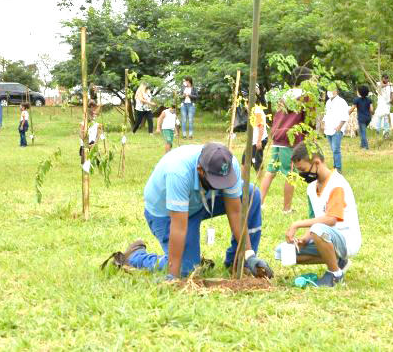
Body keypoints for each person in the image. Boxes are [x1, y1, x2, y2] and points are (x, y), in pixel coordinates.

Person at [118, 143, 273, 280]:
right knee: (187, 269)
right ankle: (135, 256)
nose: (221, 186)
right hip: (166, 214)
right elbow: (178, 227)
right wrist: (173, 275)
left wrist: (249, 254)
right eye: (216, 182)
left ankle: (238, 262)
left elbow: (235, 212)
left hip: (199, 202)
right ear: (200, 170)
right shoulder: (178, 172)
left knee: (251, 195)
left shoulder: (227, 165)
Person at [277, 142, 361, 287]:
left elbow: (331, 219)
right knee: (282, 252)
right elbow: (317, 219)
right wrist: (305, 238)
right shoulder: (311, 188)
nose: (301, 174)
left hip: (346, 240)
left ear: (316, 162)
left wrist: (296, 224)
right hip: (324, 236)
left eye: (302, 169)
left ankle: (335, 275)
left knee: (317, 229)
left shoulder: (337, 185)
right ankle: (339, 262)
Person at [260, 66, 312, 214]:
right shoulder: (306, 97)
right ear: (306, 81)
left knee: (271, 171)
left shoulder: (285, 95)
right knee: (291, 174)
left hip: (277, 137)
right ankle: (286, 209)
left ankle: (260, 203)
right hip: (291, 139)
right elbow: (308, 121)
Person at [321, 85, 349, 172]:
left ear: (336, 91)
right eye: (328, 91)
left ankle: (338, 168)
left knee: (336, 149)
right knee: (333, 149)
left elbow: (345, 115)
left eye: (331, 90)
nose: (329, 92)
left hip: (337, 128)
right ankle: (335, 166)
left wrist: (339, 127)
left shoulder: (341, 102)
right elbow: (326, 114)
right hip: (328, 128)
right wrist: (323, 123)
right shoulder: (328, 102)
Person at [242, 102, 269, 172]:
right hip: (252, 141)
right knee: (244, 162)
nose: (245, 106)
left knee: (257, 165)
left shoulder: (257, 111)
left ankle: (261, 182)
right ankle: (243, 182)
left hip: (258, 141)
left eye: (245, 104)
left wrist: (259, 141)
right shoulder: (252, 110)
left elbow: (261, 127)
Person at [349, 85, 373, 150]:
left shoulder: (356, 100)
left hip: (361, 118)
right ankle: (362, 145)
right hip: (368, 118)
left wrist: (346, 114)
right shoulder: (369, 100)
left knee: (363, 132)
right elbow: (371, 110)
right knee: (361, 131)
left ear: (359, 92)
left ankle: (365, 146)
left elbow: (352, 109)